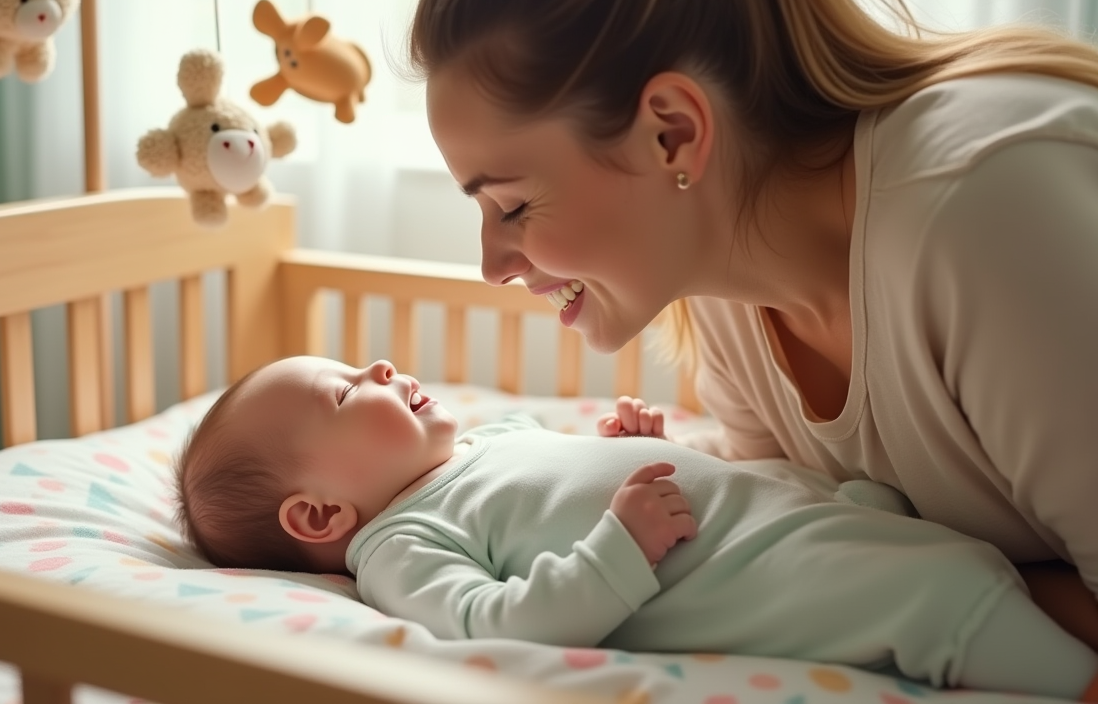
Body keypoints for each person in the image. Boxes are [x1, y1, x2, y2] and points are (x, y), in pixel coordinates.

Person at [406, 0, 1098, 647]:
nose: (492, 267)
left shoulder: (985, 211)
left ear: (673, 132)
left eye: (510, 205)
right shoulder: (724, 291)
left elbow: (856, 570)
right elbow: (809, 542)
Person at [173, 355, 1098, 701]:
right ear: (322, 514)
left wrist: (624, 446)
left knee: (901, 529)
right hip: (742, 569)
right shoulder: (396, 547)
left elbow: (560, 483)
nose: (377, 364)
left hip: (773, 505)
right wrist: (617, 547)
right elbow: (497, 624)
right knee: (937, 593)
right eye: (346, 390)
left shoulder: (489, 440)